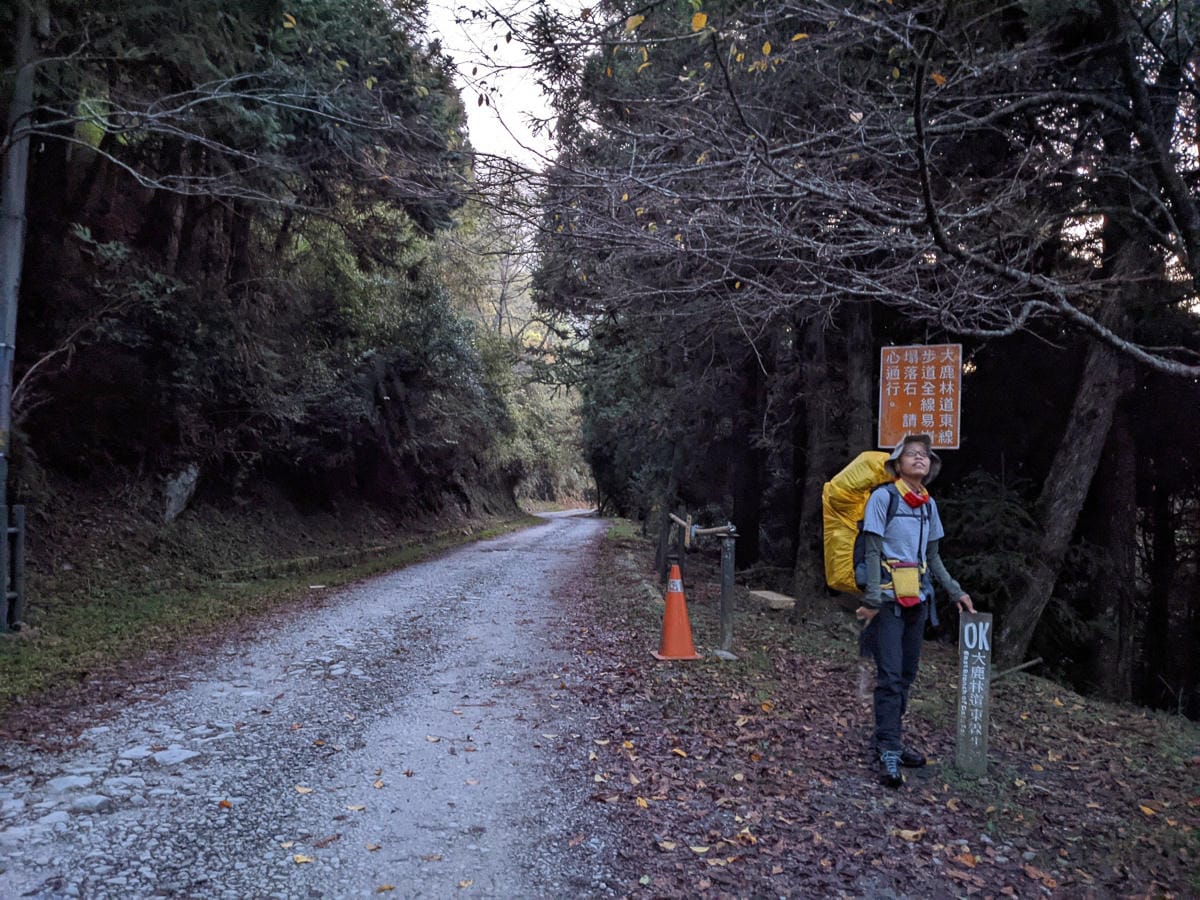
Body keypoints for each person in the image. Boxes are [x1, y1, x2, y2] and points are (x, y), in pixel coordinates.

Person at [856, 434, 974, 788]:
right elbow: (873, 550)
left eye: (924, 455)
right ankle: (889, 750)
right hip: (888, 602)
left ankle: (886, 738)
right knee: (890, 676)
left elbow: (933, 557)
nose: (920, 459)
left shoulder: (927, 505)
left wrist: (956, 592)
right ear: (897, 463)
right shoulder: (884, 497)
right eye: (911, 455)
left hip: (918, 601)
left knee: (906, 675)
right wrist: (874, 598)